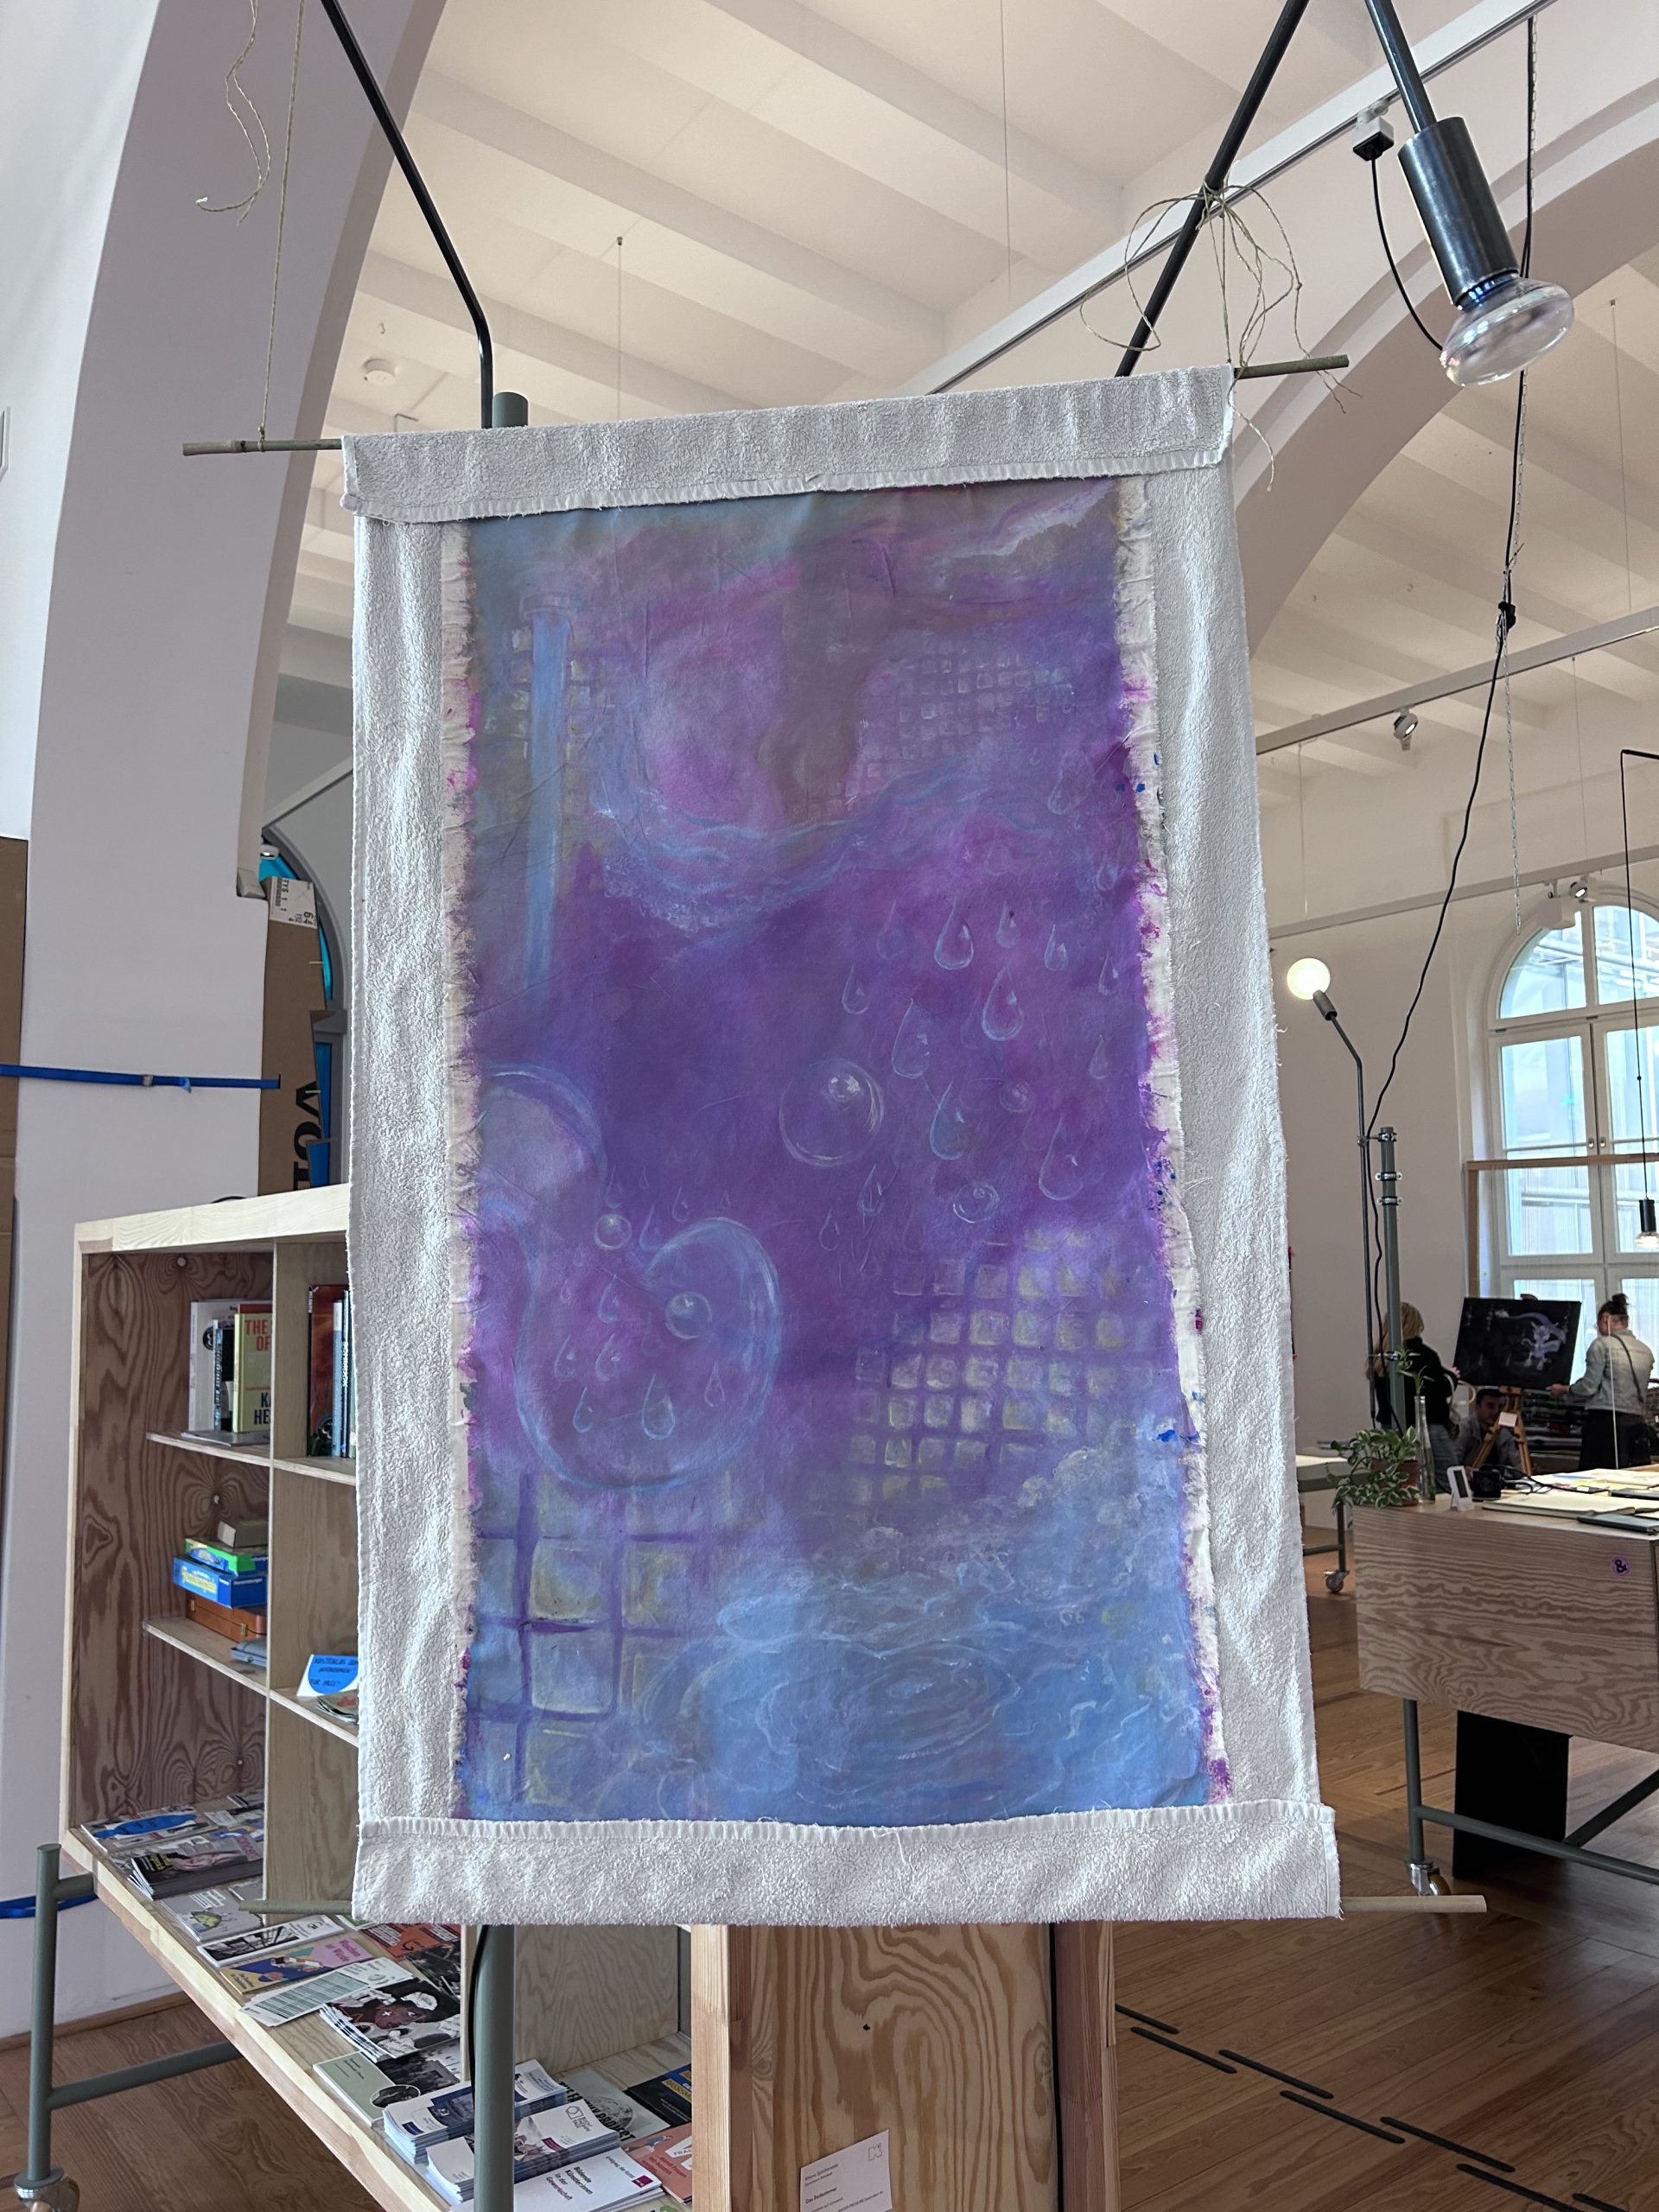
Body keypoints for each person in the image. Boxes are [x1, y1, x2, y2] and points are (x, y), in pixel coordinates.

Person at [1549, 1294, 1655, 1470]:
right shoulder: (1646, 1351)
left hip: (1605, 1423)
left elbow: (1588, 1388)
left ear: (1606, 1319)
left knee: (1596, 1477)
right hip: (1636, 1422)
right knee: (1632, 1478)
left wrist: (1566, 1390)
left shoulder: (1601, 1345)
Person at [1372, 1302, 1458, 1483]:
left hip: (1391, 1431)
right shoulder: (1425, 1355)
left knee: (1401, 1483)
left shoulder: (1381, 1359)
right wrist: (1451, 1376)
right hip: (1428, 1428)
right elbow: (1441, 1390)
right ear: (1416, 1325)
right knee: (1448, 1479)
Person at [1452, 1387, 1523, 1489]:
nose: (1496, 1411)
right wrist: (1464, 1471)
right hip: (1470, 1486)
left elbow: (1516, 1465)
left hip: (1497, 1486)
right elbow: (1453, 1463)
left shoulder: (1505, 1434)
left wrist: (1526, 1470)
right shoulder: (1464, 1429)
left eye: (1500, 1407)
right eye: (1490, 1406)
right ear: (1477, 1407)